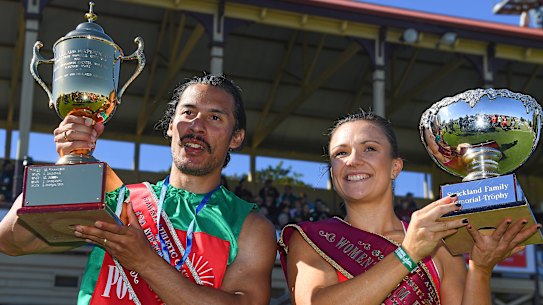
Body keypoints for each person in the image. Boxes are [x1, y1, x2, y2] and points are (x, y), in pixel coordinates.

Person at [0, 74, 277, 305]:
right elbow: (11, 241)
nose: (196, 126)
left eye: (215, 118)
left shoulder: (249, 226)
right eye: (188, 112)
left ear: (236, 138)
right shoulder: (117, 198)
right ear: (171, 126)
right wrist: (69, 164)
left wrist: (145, 261)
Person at [278, 109, 541, 305]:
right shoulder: (312, 239)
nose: (353, 161)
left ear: (395, 167)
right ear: (332, 170)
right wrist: (408, 253)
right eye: (340, 153)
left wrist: (481, 270)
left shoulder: (440, 245)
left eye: (369, 149)